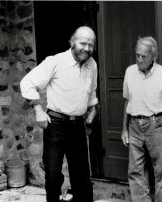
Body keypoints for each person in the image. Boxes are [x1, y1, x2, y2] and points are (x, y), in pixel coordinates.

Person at [20, 26, 97, 202]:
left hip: (78, 126)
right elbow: (27, 83)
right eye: (82, 43)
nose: (86, 48)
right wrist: (38, 110)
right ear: (72, 41)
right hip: (56, 125)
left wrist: (92, 114)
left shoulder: (92, 65)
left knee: (82, 176)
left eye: (90, 45)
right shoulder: (55, 61)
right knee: (53, 175)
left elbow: (91, 94)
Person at [121, 36, 162, 202]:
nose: (139, 60)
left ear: (154, 56)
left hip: (158, 125)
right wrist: (124, 128)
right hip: (134, 125)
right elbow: (127, 101)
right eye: (137, 55)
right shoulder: (130, 71)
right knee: (135, 170)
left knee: (160, 171)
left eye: (143, 56)